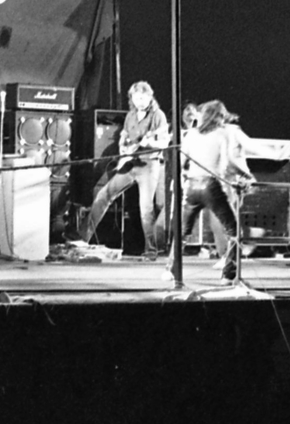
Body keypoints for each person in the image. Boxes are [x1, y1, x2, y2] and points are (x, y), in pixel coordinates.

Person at [82, 81, 170, 258]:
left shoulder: (158, 115)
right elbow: (124, 135)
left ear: (150, 97)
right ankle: (83, 238)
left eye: (143, 98)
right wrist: (123, 147)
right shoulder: (131, 115)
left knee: (146, 209)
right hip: (129, 164)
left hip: (148, 165)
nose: (140, 102)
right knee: (104, 195)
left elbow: (164, 142)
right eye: (136, 98)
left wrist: (149, 143)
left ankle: (151, 250)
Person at [177, 100, 253, 281]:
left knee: (183, 231)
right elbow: (228, 163)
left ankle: (171, 270)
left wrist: (183, 178)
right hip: (211, 186)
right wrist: (246, 175)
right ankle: (228, 275)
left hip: (192, 186)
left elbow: (180, 161)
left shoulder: (190, 134)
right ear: (219, 117)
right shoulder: (221, 135)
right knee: (234, 230)